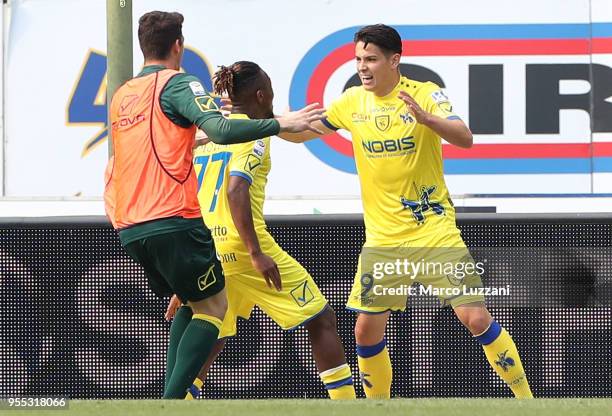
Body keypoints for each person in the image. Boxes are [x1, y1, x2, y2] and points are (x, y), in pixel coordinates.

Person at [280, 24, 533, 399]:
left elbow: (465, 138)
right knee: (365, 332)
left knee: (476, 318)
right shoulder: (351, 101)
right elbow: (303, 133)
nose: (362, 67)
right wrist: (270, 124)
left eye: (371, 59)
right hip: (383, 239)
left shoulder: (426, 94)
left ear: (394, 60)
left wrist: (428, 120)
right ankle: (377, 407)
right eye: (358, 60)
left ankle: (529, 402)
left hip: (433, 231)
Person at [103, 11, 324, 399]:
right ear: (178, 45)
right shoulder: (179, 83)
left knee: (193, 301)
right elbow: (221, 130)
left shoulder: (122, 94)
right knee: (213, 308)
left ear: (142, 47)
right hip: (172, 216)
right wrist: (280, 124)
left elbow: (134, 157)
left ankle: (176, 400)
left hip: (128, 223)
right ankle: (169, 404)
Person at [165, 61, 356, 400]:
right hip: (241, 248)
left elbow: (185, 196)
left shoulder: (205, 136)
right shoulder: (255, 134)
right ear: (261, 95)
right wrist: (256, 253)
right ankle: (349, 406)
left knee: (212, 333)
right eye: (271, 94)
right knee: (320, 317)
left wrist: (186, 268)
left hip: (206, 250)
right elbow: (236, 189)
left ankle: (180, 403)